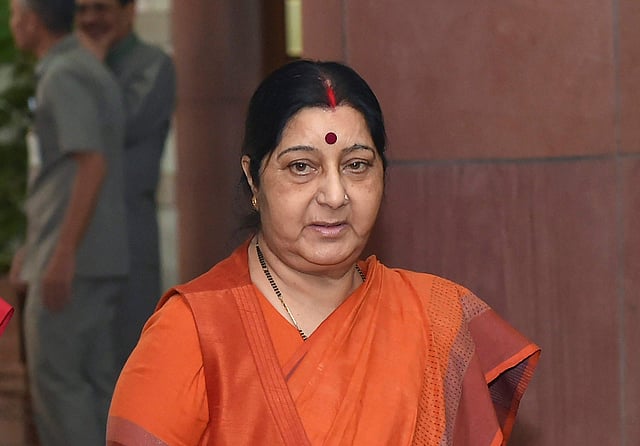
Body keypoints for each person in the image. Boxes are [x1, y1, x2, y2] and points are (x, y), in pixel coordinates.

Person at [107, 60, 540, 446]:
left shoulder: (435, 320)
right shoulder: (193, 332)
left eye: (356, 165)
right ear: (253, 179)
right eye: (302, 167)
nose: (335, 196)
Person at [8, 0, 128, 444]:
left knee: (58, 386)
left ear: (32, 22)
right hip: (88, 254)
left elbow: (91, 164)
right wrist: (34, 247)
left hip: (73, 260)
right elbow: (60, 175)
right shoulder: (85, 67)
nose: (13, 23)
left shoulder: (64, 75)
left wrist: (60, 253)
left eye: (15, 14)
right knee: (95, 386)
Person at [74, 0, 176, 368]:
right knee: (80, 361)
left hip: (129, 231)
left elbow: (120, 125)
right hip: (77, 230)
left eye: (100, 8)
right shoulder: (72, 66)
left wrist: (92, 68)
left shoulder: (153, 64)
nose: (90, 19)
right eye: (82, 9)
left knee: (129, 356)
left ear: (129, 10)